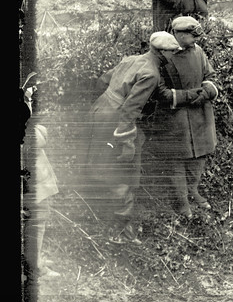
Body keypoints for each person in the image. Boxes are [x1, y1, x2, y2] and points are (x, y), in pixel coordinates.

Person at [84, 32, 182, 244]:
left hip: (100, 112)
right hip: (115, 120)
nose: (174, 54)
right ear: (162, 52)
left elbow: (103, 81)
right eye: (173, 51)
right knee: (123, 171)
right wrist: (127, 143)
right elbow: (130, 110)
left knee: (105, 165)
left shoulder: (131, 59)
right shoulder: (151, 74)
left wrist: (103, 106)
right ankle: (120, 231)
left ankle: (117, 225)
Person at [147, 16, 219, 218]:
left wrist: (206, 93)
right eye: (191, 36)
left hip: (200, 113)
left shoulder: (198, 52)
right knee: (177, 160)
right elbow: (159, 91)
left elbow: (210, 77)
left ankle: (193, 190)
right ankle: (181, 201)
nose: (196, 40)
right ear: (178, 34)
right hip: (175, 117)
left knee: (200, 155)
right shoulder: (165, 55)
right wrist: (186, 97)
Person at [21, 84, 60, 278]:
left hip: (37, 183)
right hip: (34, 185)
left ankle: (33, 260)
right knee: (36, 223)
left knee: (37, 222)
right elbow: (36, 138)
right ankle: (34, 267)